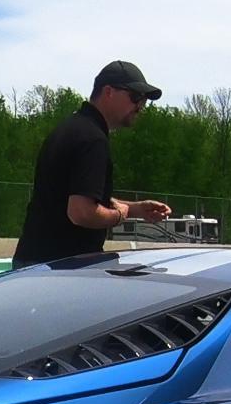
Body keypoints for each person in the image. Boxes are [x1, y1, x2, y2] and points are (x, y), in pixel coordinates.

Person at [12, 60, 175, 268]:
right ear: (108, 92)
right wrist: (119, 216)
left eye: (143, 101)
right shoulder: (93, 140)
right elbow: (81, 212)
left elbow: (75, 195)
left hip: (34, 262)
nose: (140, 106)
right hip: (61, 270)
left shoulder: (70, 128)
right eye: (135, 97)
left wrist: (134, 209)